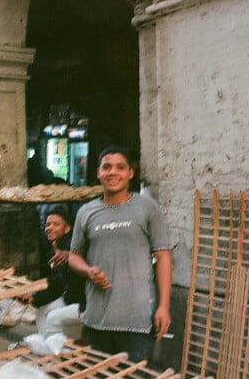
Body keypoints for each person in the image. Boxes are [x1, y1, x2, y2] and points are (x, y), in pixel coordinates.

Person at [68, 145, 173, 363]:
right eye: (106, 167)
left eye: (120, 167)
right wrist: (88, 270)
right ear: (98, 172)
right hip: (97, 320)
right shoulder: (85, 212)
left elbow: (163, 258)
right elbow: (73, 256)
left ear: (130, 173)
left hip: (138, 321)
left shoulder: (148, 208)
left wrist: (163, 307)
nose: (113, 172)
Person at [19, 206, 86, 337]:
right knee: (40, 310)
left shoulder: (74, 249)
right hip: (70, 298)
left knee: (53, 318)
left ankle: (55, 351)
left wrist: (68, 257)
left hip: (87, 303)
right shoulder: (53, 250)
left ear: (67, 229)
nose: (50, 228)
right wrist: (34, 298)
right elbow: (56, 285)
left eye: (56, 224)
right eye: (48, 224)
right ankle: (47, 347)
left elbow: (59, 282)